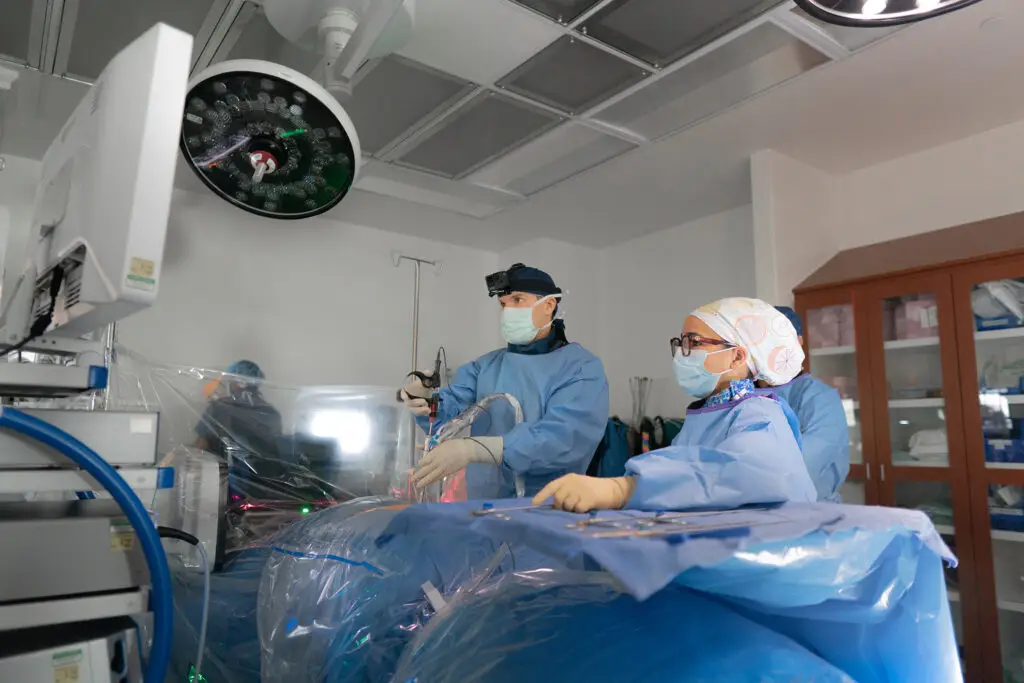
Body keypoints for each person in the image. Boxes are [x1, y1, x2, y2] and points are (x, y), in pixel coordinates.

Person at [532, 297, 816, 513]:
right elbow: (687, 485)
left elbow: (746, 472)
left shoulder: (760, 414)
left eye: (693, 342)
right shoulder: (706, 416)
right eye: (681, 342)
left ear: (737, 357)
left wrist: (623, 489)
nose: (683, 352)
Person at [401, 264, 610, 499]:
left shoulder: (580, 368)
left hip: (550, 509)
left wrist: (474, 449)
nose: (508, 310)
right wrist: (428, 401)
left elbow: (565, 438)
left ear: (549, 305)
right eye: (503, 304)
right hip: (483, 508)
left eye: (518, 300)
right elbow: (451, 410)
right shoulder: (486, 366)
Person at [762, 307, 850, 502]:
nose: (769, 348)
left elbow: (799, 471)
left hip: (811, 516)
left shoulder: (819, 399)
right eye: (762, 341)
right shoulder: (742, 396)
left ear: (798, 342)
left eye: (778, 339)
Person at [195, 360, 283, 461]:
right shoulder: (271, 413)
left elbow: (201, 446)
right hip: (260, 474)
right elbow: (275, 452)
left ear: (237, 383)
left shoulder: (218, 408)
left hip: (223, 472)